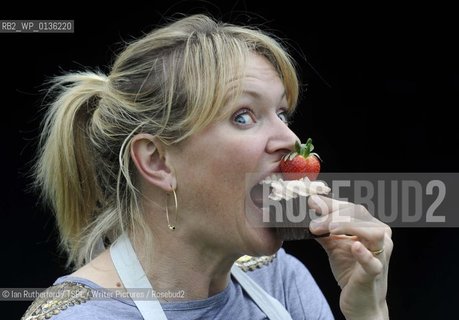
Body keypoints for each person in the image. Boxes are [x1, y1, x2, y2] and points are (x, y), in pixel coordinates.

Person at [22, 14, 392, 319]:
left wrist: (369, 309)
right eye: (244, 116)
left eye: (282, 113)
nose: (291, 140)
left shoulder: (280, 279)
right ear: (157, 161)